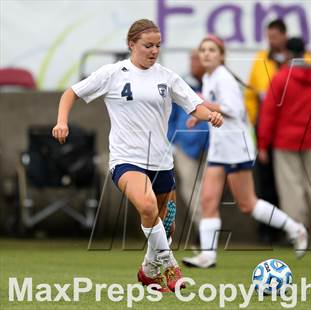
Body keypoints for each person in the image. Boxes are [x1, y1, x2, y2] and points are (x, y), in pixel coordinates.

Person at [52, 19, 223, 292]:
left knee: (166, 227)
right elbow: (71, 93)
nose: (154, 51)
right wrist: (62, 121)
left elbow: (195, 106)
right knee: (147, 206)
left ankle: (148, 270)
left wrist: (210, 115)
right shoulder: (113, 73)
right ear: (131, 44)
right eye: (148, 45)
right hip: (126, 159)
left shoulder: (167, 77)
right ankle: (169, 266)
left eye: (157, 45)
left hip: (161, 161)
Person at [182, 35, 308, 269]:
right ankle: (208, 256)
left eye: (212, 50)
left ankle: (296, 229)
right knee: (207, 199)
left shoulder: (223, 77)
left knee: (247, 204)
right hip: (220, 147)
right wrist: (199, 118)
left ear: (221, 55)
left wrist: (202, 104)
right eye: (203, 50)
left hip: (236, 146)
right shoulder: (210, 77)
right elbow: (215, 109)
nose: (207, 54)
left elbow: (233, 109)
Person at [258, 37, 311, 248]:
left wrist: (263, 143)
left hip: (286, 142)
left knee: (291, 188)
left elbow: (269, 113)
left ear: (287, 53)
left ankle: (297, 234)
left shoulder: (280, 78)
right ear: (305, 52)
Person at [244, 19, 288, 244]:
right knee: (265, 181)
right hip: (264, 127)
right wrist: (253, 120)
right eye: (269, 36)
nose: (271, 41)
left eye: (275, 36)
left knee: (288, 183)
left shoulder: (299, 58)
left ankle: (287, 228)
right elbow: (251, 94)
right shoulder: (261, 59)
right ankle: (267, 230)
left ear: (284, 36)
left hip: (288, 129)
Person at [167, 49, 208, 241]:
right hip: (186, 144)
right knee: (191, 188)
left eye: (198, 60)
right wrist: (172, 141)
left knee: (209, 189)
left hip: (212, 145)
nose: (194, 64)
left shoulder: (215, 83)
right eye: (192, 60)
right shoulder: (181, 84)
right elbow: (170, 117)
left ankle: (209, 227)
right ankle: (203, 227)